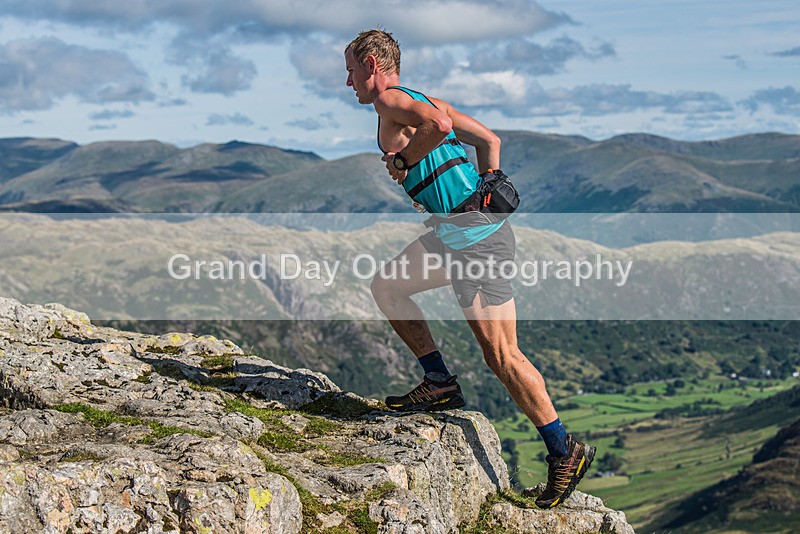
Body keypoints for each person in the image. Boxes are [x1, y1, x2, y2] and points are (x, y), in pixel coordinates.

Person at [344, 29, 595, 509]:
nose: (348, 81)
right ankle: (438, 381)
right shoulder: (419, 99)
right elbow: (489, 140)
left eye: (352, 70)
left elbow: (439, 126)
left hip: (476, 243)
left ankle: (564, 449)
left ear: (372, 64)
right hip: (456, 234)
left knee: (502, 355)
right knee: (389, 286)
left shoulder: (392, 101)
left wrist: (403, 160)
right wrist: (488, 184)